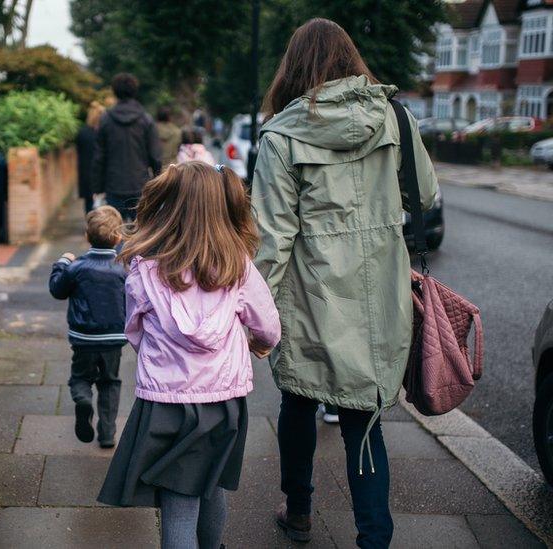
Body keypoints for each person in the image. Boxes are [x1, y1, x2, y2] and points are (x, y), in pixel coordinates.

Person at [250, 18, 438, 548]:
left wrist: (252, 319)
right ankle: (374, 538)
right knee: (364, 420)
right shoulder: (396, 118)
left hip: (311, 297)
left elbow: (270, 238)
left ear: (294, 67)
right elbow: (422, 196)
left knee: (298, 399)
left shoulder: (282, 135)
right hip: (381, 292)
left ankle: (300, 510)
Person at [98, 162, 281, 549]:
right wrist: (258, 343)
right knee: (212, 486)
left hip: (163, 404)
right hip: (223, 403)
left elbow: (133, 330)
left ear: (170, 206)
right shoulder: (238, 267)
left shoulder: (145, 269)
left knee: (178, 502)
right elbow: (269, 327)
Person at [48, 206, 127, 448]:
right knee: (109, 382)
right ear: (119, 237)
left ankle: (83, 400)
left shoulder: (77, 267)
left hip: (83, 338)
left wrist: (62, 262)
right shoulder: (124, 269)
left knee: (80, 378)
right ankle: (107, 434)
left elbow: (57, 290)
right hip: (113, 338)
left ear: (86, 236)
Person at [93, 73, 162, 222]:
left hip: (113, 185)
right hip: (140, 185)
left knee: (113, 232)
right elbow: (155, 156)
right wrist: (158, 184)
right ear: (134, 91)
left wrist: (98, 188)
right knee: (142, 233)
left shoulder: (105, 119)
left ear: (115, 91)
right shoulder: (145, 119)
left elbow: (99, 157)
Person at [77, 102, 106, 213]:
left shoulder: (82, 133)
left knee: (90, 209)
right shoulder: (105, 133)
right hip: (103, 176)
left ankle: (91, 229)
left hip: (87, 175)